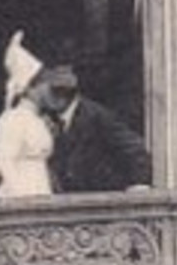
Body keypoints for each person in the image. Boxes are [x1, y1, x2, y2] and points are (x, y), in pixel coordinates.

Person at [0, 31, 54, 198]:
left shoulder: (35, 119)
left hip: (40, 188)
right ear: (29, 88)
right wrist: (20, 200)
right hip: (23, 193)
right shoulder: (14, 120)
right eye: (44, 85)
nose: (49, 90)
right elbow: (5, 163)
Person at [38, 65, 153, 193]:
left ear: (59, 95)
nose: (41, 98)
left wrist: (139, 183)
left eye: (45, 92)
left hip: (101, 197)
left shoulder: (96, 116)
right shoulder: (50, 119)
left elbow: (134, 148)